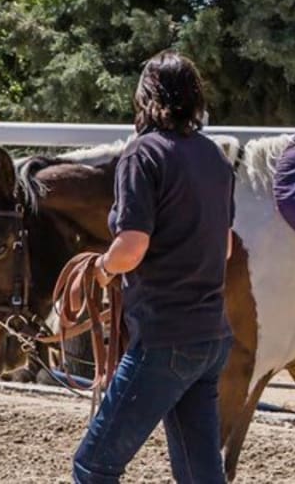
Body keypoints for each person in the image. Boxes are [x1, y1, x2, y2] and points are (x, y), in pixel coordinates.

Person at [73, 50, 234, 483]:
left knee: (92, 467)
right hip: (211, 337)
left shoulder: (141, 155)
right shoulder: (215, 157)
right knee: (201, 476)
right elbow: (227, 250)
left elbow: (132, 246)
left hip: (165, 337)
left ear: (145, 97)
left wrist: (104, 269)